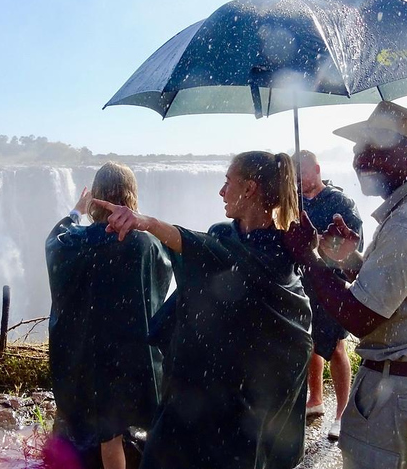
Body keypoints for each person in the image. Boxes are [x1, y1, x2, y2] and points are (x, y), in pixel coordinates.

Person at [284, 101, 407, 469]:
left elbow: (359, 318)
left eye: (369, 148)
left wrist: (306, 257)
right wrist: (346, 259)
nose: (358, 160)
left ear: (406, 151)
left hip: (402, 399)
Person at [93, 151, 313, 469]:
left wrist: (147, 223)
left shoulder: (278, 252)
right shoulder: (224, 235)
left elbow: (209, 252)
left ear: (250, 189)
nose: (222, 192)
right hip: (197, 384)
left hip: (242, 400)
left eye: (228, 183)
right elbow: (209, 256)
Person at [45, 162, 173, 469]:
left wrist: (75, 212)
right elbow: (161, 278)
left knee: (109, 435)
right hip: (138, 352)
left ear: (97, 198)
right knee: (150, 426)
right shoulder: (149, 242)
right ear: (132, 196)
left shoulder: (80, 241)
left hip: (96, 357)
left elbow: (54, 245)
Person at [294, 149, 363, 441]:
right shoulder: (293, 203)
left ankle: (342, 414)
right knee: (308, 341)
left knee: (335, 346)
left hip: (333, 283)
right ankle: (316, 399)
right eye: (294, 175)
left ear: (317, 169)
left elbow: (353, 247)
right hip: (302, 281)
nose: (298, 179)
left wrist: (319, 243)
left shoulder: (340, 202)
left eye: (302, 172)